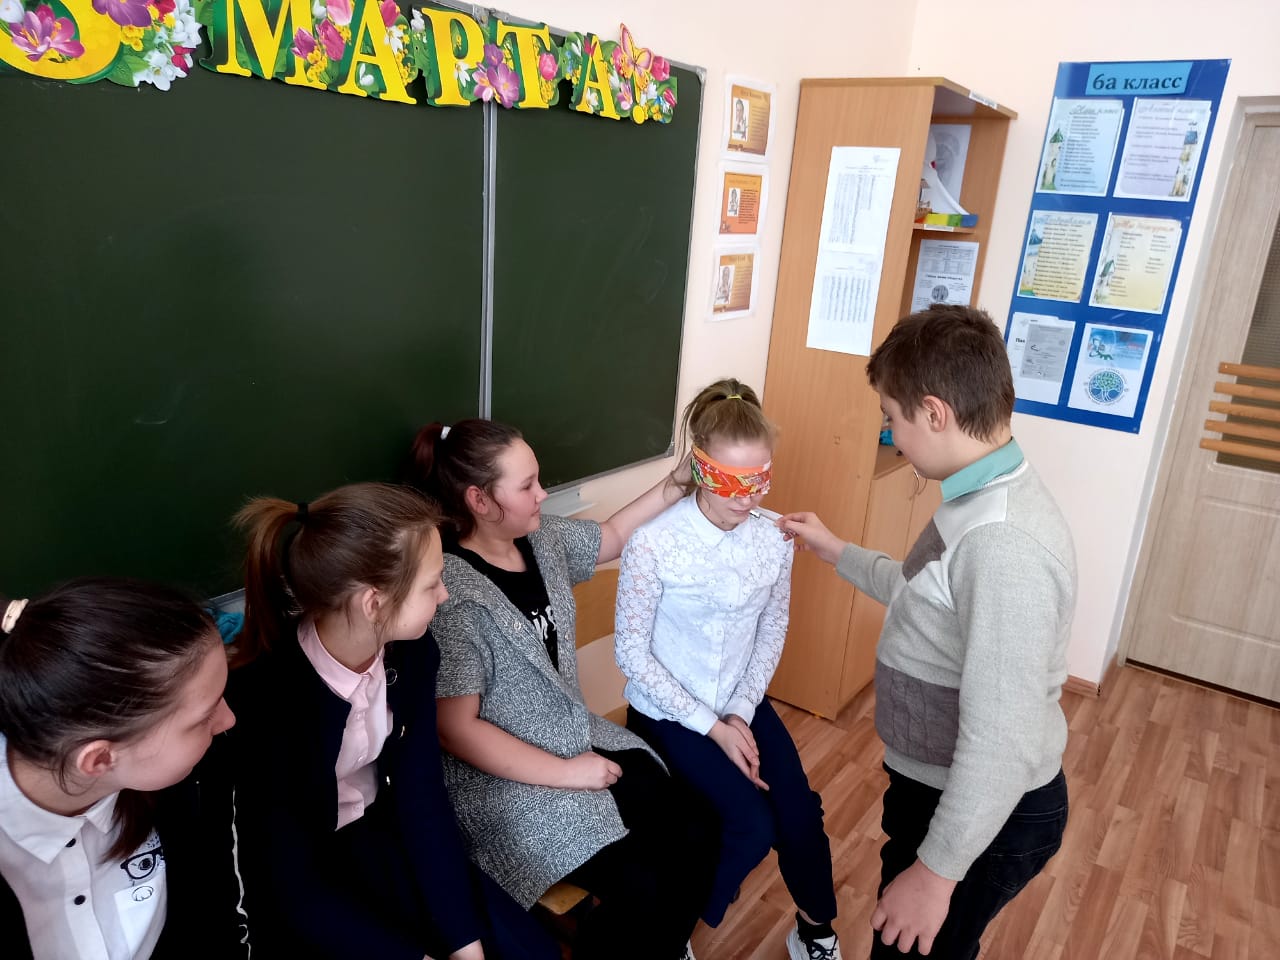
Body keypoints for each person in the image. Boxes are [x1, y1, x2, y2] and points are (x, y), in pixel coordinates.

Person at [780, 304, 1076, 960]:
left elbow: (1002, 740)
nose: (892, 436)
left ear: (935, 413)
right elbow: (927, 596)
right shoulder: (977, 495)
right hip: (941, 790)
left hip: (982, 813)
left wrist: (937, 875)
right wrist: (837, 550)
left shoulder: (1004, 546)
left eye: (892, 419)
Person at [411, 420, 714, 960]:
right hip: (508, 786)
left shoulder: (541, 539)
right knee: (644, 883)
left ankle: (659, 943)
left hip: (577, 739)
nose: (543, 494)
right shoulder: (452, 593)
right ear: (480, 500)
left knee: (700, 829)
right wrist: (569, 774)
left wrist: (679, 480)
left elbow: (611, 536)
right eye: (527, 485)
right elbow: (455, 730)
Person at [229, 482, 557, 960]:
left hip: (379, 837)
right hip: (309, 876)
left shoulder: (414, 653)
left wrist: (465, 943)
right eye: (432, 584)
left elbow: (422, 798)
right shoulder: (267, 697)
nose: (444, 595)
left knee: (526, 951)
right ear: (373, 602)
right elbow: (288, 881)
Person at [614, 379, 842, 960]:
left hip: (741, 702)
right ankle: (671, 932)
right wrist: (713, 727)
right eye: (731, 482)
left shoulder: (774, 538)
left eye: (759, 480)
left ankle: (816, 932)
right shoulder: (654, 543)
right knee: (750, 824)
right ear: (700, 468)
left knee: (798, 812)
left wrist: (740, 712)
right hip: (670, 712)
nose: (747, 498)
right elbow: (632, 655)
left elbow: (773, 626)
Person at [0, 577, 243, 960]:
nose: (228, 720)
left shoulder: (190, 781)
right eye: (204, 716)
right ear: (99, 760)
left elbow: (217, 914)